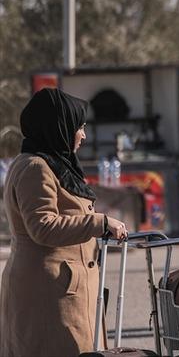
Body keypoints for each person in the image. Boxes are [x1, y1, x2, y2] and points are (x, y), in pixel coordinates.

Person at [0, 88, 128, 357]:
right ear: (59, 126)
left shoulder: (51, 163)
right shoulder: (36, 167)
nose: (83, 134)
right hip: (49, 296)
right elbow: (42, 226)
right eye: (78, 127)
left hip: (60, 290)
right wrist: (99, 223)